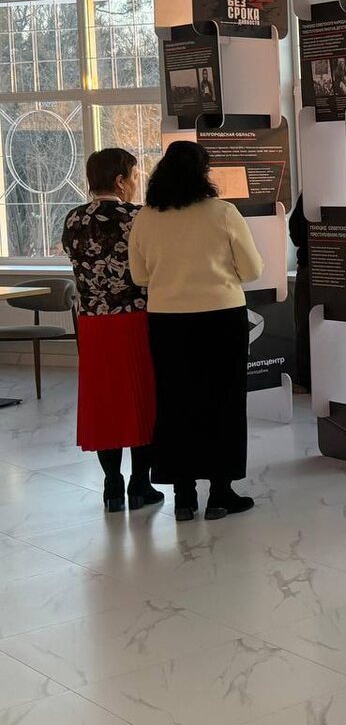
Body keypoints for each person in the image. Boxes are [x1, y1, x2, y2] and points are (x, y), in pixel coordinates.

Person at [129, 141, 264, 522]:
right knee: (224, 402)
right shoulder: (223, 212)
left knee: (175, 403)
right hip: (221, 317)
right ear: (204, 173)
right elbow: (253, 270)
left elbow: (139, 275)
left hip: (167, 320)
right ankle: (220, 494)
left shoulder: (146, 217)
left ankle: (184, 498)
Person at [61, 149, 162, 513]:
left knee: (104, 402)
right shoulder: (138, 217)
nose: (135, 183)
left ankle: (112, 484)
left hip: (92, 323)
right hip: (135, 319)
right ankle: (140, 483)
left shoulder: (73, 219)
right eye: (133, 177)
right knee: (142, 399)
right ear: (120, 181)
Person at [287, 194, 311, 393]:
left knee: (305, 325)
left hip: (310, 268)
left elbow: (295, 233)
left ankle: (305, 381)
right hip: (345, 271)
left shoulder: (310, 194)